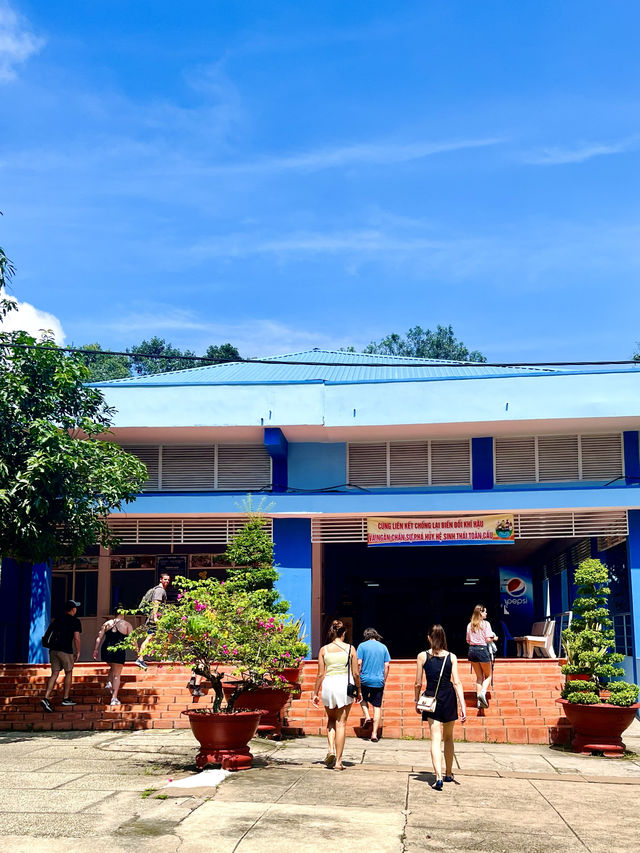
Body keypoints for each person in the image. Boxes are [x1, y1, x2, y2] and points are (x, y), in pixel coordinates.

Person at [414, 624, 466, 790]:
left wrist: (417, 701)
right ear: (443, 638)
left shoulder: (422, 656)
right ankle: (449, 773)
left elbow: (417, 683)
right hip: (449, 697)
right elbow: (457, 682)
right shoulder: (452, 657)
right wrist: (463, 705)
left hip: (431, 699)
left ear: (429, 638)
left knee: (435, 738)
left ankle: (437, 777)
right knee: (449, 737)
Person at [312, 619, 361, 771]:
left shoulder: (323, 650)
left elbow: (320, 674)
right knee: (341, 723)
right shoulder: (351, 649)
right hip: (344, 686)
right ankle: (338, 762)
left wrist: (315, 692)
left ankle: (331, 750)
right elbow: (355, 673)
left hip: (328, 685)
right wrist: (358, 690)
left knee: (331, 719)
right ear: (344, 633)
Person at [41, 600, 82, 712]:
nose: (76, 610)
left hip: (53, 650)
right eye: (75, 608)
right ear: (73, 609)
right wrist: (78, 652)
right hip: (65, 651)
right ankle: (66, 698)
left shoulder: (57, 619)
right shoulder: (75, 621)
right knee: (69, 672)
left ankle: (46, 697)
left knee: (54, 673)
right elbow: (76, 638)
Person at [357, 627, 390, 742]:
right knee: (377, 707)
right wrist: (384, 679)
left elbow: (359, 663)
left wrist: (358, 676)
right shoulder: (383, 647)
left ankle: (366, 716)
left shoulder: (362, 646)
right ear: (376, 635)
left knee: (361, 698)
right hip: (378, 681)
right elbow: (387, 666)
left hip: (364, 679)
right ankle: (374, 734)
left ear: (366, 635)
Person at [92, 615, 133, 705]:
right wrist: (138, 651)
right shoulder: (126, 624)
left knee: (113, 667)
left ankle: (109, 682)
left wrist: (95, 649)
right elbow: (132, 639)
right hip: (118, 650)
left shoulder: (107, 624)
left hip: (106, 649)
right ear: (123, 614)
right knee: (117, 674)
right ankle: (114, 698)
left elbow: (99, 637)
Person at [466, 604, 499, 709]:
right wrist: (494, 637)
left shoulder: (469, 625)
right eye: (485, 612)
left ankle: (479, 702)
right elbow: (488, 639)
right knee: (488, 675)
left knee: (479, 677)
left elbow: (468, 640)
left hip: (472, 650)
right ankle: (482, 693)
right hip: (482, 650)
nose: (486, 613)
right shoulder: (486, 624)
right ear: (480, 613)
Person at [135, 573, 170, 670]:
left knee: (164, 635)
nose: (167, 581)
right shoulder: (160, 591)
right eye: (165, 579)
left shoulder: (157, 589)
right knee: (152, 637)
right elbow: (156, 604)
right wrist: (155, 618)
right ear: (160, 580)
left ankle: (162, 656)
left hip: (156, 618)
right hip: (156, 619)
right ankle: (142, 658)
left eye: (168, 580)